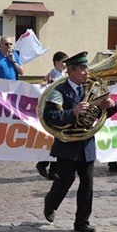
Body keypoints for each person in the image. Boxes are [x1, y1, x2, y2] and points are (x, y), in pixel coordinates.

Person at [42, 51, 117, 232]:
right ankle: (51, 202)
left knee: (87, 184)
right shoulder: (58, 91)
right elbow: (49, 117)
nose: (86, 72)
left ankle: (82, 221)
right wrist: (73, 112)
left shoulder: (91, 89)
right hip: (67, 144)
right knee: (65, 181)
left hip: (86, 142)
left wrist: (111, 106)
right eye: (83, 68)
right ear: (72, 71)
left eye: (86, 68)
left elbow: (99, 115)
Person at [36, 51, 67, 180]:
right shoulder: (51, 74)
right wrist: (44, 84)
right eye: (63, 61)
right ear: (56, 63)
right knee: (56, 140)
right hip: (54, 110)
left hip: (63, 109)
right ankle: (45, 165)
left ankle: (53, 168)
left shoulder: (66, 74)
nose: (66, 64)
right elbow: (43, 86)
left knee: (59, 140)